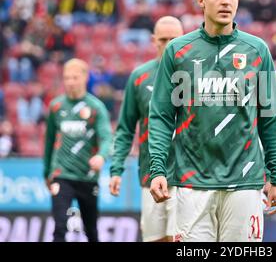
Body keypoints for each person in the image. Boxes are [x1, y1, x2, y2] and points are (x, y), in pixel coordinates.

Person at [148, 0, 276, 242]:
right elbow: (162, 116)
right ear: (201, 0)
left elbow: (270, 118)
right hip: (192, 182)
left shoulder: (257, 50)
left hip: (245, 181)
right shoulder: (178, 51)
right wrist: (157, 170)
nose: (226, 1)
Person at [109, 16, 184, 242]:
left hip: (186, 175)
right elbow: (125, 128)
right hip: (151, 174)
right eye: (163, 39)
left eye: (175, 39)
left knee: (179, 239)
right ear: (154, 40)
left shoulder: (195, 75)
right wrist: (116, 169)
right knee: (155, 239)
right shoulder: (140, 77)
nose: (169, 44)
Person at [43, 58, 113, 242]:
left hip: (87, 176)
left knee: (91, 230)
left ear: (84, 78)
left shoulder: (96, 107)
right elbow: (49, 141)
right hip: (62, 174)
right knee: (59, 227)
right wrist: (46, 173)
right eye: (66, 78)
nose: (70, 82)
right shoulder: (56, 107)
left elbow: (106, 138)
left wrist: (101, 156)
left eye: (74, 77)